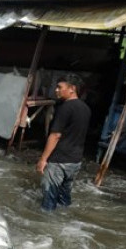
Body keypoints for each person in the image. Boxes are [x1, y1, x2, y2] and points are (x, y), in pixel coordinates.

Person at [36, 74, 91, 211]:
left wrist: (43, 159)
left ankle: (45, 227)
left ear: (72, 88)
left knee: (49, 200)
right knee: (64, 199)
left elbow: (55, 135)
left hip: (59, 160)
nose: (56, 90)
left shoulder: (66, 108)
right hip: (75, 161)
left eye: (60, 87)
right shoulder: (86, 109)